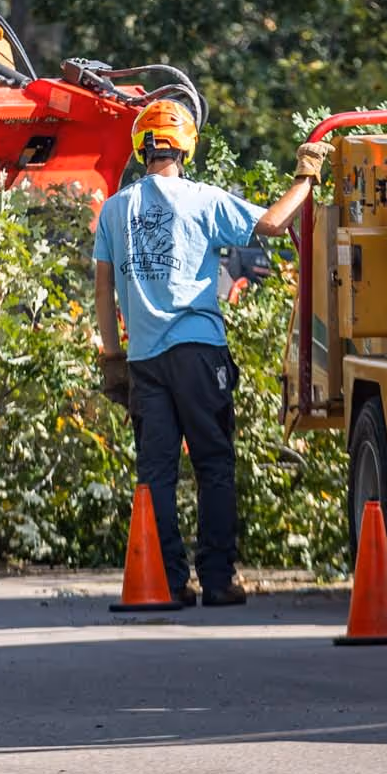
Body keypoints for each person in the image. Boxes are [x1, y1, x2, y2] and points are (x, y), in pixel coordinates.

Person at [92, 101, 331, 606]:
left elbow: (102, 286)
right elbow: (270, 225)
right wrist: (306, 180)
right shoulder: (203, 199)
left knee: (154, 471)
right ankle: (218, 579)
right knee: (214, 465)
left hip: (146, 361)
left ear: (141, 148)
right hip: (199, 352)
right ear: (186, 146)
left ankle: (167, 580)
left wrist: (112, 358)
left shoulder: (115, 209)